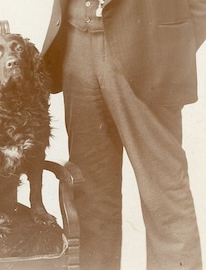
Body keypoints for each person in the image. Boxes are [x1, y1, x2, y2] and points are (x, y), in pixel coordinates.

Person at [41, 0, 206, 269]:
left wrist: (171, 50)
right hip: (77, 47)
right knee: (90, 193)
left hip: (149, 53)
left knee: (163, 194)